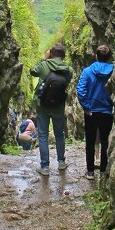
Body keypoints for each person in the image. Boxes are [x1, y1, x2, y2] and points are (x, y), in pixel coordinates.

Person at [30, 44, 72, 176]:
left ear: (51, 54)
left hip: (42, 105)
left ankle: (45, 167)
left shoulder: (44, 65)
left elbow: (32, 71)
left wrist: (44, 59)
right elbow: (67, 82)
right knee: (59, 134)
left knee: (43, 135)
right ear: (64, 56)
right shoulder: (68, 69)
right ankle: (61, 162)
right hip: (58, 106)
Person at [76, 44, 114, 180]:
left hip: (91, 112)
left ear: (96, 56)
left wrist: (86, 107)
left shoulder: (87, 71)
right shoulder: (114, 71)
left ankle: (90, 172)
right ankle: (103, 170)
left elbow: (80, 90)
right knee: (105, 142)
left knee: (90, 142)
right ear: (109, 57)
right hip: (107, 111)